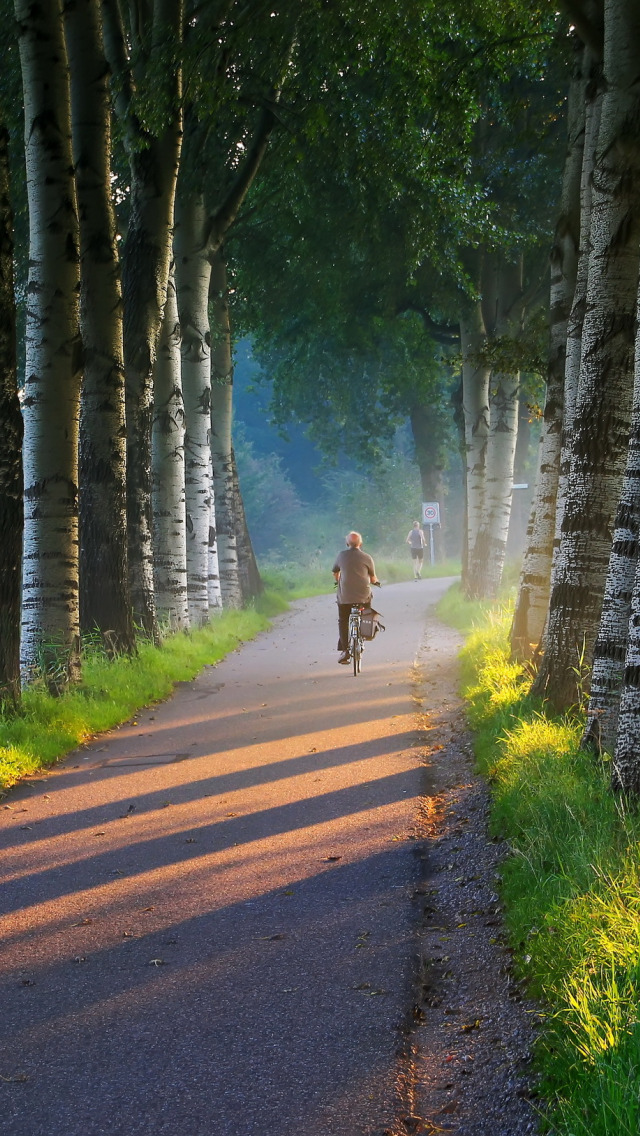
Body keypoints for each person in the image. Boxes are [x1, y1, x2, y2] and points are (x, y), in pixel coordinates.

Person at [332, 531, 378, 664]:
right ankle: (362, 638)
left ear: (347, 543)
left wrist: (339, 580)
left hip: (345, 597)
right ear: (361, 543)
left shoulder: (341, 556)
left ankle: (345, 650)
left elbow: (335, 572)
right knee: (365, 614)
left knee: (343, 619)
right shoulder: (367, 557)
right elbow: (373, 578)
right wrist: (376, 582)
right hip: (363, 597)